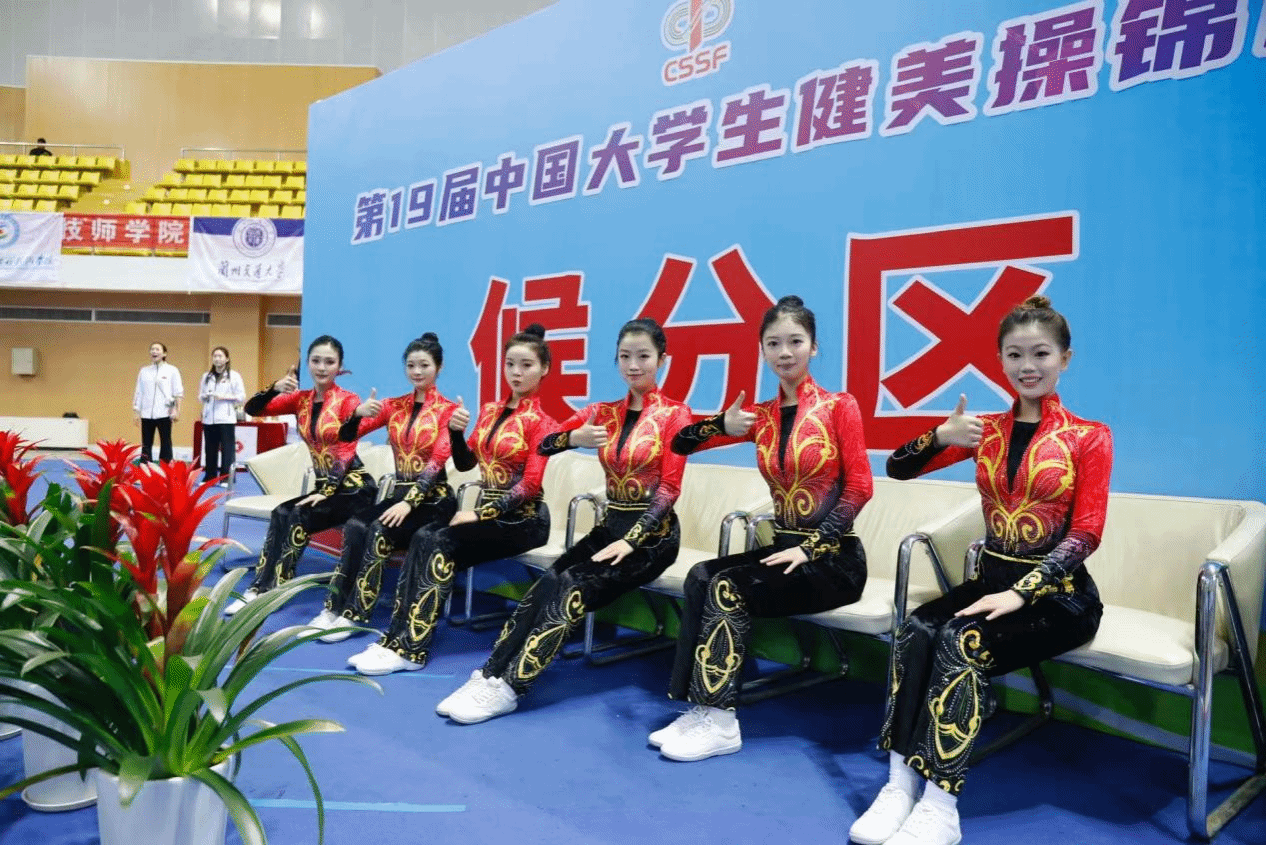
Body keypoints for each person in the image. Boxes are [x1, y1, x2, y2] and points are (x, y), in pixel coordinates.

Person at [849, 295, 1112, 845]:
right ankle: (899, 785)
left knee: (962, 642)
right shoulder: (985, 430)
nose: (1027, 366)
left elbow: (1087, 533)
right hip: (990, 584)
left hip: (1060, 597)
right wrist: (938, 437)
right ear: (1000, 360)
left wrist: (1024, 592)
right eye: (1015, 354)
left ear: (1065, 359)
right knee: (915, 630)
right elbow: (897, 468)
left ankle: (940, 806)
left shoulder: (1089, 437)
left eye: (1041, 353)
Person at [436, 318, 691, 725]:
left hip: (653, 538)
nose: (633, 365)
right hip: (609, 528)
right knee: (550, 580)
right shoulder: (602, 412)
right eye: (625, 356)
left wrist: (632, 540)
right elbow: (543, 443)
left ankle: (510, 686)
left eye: (643, 356)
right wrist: (572, 439)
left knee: (572, 584)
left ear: (662, 360)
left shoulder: (676, 415)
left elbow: (669, 489)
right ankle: (489, 673)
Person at [659, 295, 873, 761]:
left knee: (728, 589)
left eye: (795, 341)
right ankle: (699, 705)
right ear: (761, 350)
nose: (784, 352)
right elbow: (679, 442)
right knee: (701, 576)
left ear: (814, 347)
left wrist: (813, 547)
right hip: (783, 550)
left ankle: (721, 722)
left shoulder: (839, 406)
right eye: (773, 343)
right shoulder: (761, 416)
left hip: (833, 560)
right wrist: (720, 423)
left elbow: (860, 487)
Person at [348, 324, 556, 675]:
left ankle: (412, 648)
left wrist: (480, 513)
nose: (516, 373)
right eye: (510, 364)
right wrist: (457, 433)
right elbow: (465, 462)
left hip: (525, 520)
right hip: (491, 515)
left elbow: (531, 485)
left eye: (526, 365)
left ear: (544, 369)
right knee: (423, 537)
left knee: (440, 541)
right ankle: (393, 639)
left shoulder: (543, 422)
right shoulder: (490, 410)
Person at [310, 333, 460, 644]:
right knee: (355, 525)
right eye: (411, 365)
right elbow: (348, 436)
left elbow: (437, 461)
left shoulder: (448, 410)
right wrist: (356, 415)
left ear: (439, 367)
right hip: (399, 497)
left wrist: (410, 502)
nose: (417, 372)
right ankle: (333, 607)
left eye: (424, 365)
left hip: (434, 500)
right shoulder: (394, 406)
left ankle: (356, 614)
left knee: (379, 530)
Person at [225, 335, 376, 615]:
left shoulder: (348, 400)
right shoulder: (300, 399)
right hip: (326, 489)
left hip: (354, 489)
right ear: (307, 363)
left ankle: (275, 589)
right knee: (281, 512)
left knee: (298, 514)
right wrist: (273, 389)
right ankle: (258, 587)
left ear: (339, 366)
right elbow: (252, 409)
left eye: (329, 362)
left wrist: (327, 490)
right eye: (316, 361)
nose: (322, 367)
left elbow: (346, 448)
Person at [198, 346, 246, 485]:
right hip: (209, 418)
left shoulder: (234, 376)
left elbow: (241, 397)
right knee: (210, 449)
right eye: (215, 356)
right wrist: (205, 396)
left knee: (227, 450)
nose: (217, 359)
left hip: (226, 418)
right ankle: (210, 476)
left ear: (227, 359)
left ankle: (226, 477)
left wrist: (224, 396)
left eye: (220, 356)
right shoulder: (207, 376)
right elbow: (200, 396)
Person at [132, 342, 183, 463]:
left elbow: (178, 392)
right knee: (146, 444)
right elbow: (139, 392)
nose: (154, 351)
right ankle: (144, 467)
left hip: (164, 413)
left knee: (166, 442)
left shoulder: (172, 370)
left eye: (157, 349)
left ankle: (165, 469)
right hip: (146, 414)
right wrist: (136, 411)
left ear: (164, 353)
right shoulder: (144, 371)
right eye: (152, 349)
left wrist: (177, 410)